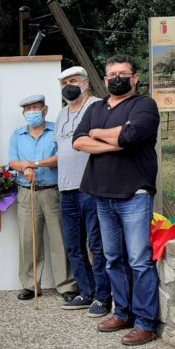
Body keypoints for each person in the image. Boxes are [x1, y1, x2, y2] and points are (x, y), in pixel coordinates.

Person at [73, 55, 161, 346]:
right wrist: (116, 138)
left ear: (135, 78)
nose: (117, 78)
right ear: (105, 79)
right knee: (112, 259)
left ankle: (146, 322)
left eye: (123, 73)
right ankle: (122, 312)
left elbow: (133, 135)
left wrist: (99, 135)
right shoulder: (95, 107)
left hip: (134, 193)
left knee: (139, 260)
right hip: (101, 194)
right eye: (112, 74)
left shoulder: (144, 105)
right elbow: (78, 141)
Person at [8, 95, 76, 302]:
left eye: (35, 108)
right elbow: (13, 161)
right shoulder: (17, 134)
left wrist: (35, 164)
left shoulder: (56, 130)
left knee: (59, 239)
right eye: (27, 109)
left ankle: (66, 286)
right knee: (28, 239)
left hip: (52, 191)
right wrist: (25, 167)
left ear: (44, 110)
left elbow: (61, 158)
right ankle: (30, 284)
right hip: (27, 192)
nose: (31, 112)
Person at [55, 66, 111, 317]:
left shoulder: (98, 107)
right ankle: (85, 292)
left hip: (91, 186)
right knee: (73, 245)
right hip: (66, 188)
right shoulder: (61, 114)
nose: (69, 85)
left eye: (73, 80)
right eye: (65, 82)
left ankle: (102, 296)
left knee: (97, 245)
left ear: (86, 83)